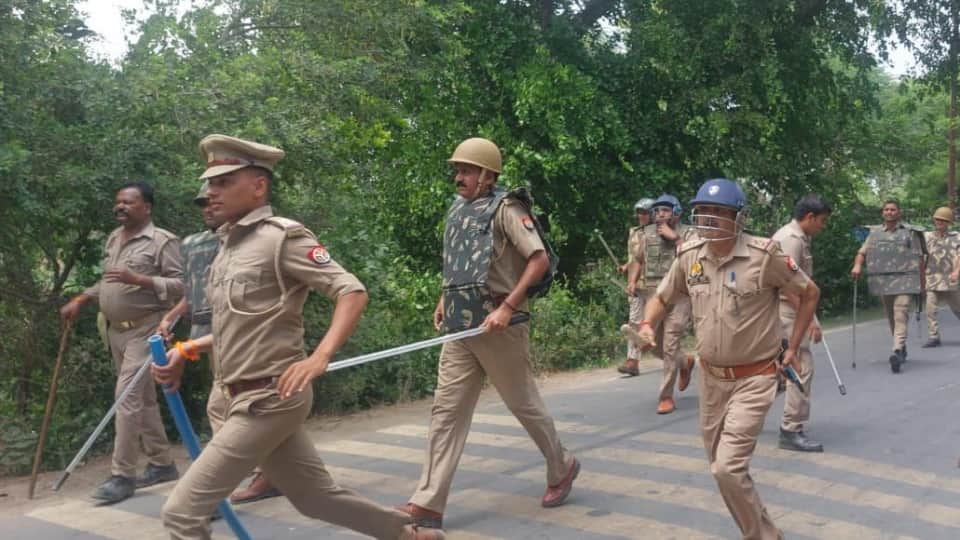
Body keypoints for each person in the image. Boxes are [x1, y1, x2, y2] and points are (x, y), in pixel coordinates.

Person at [152, 134, 440, 540]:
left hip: (268, 398)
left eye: (223, 182)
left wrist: (318, 357)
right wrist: (188, 349)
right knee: (314, 498)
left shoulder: (281, 237)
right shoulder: (227, 246)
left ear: (258, 186)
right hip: (237, 395)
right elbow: (242, 324)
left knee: (181, 513)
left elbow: (351, 291)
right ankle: (410, 536)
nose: (210, 192)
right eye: (209, 183)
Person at [398, 137, 578, 532]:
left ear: (487, 174)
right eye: (457, 170)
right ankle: (427, 502)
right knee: (446, 411)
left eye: (466, 170)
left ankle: (562, 466)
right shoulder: (457, 209)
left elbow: (538, 259)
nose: (458, 177)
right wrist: (443, 299)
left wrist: (508, 307)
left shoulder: (507, 209)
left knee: (523, 403)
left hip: (501, 326)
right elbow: (457, 262)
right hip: (460, 327)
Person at [637, 178, 820, 540]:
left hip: (755, 378)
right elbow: (661, 297)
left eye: (721, 213)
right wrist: (646, 324)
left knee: (727, 469)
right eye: (705, 212)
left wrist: (793, 347)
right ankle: (765, 530)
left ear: (738, 218)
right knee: (722, 468)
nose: (711, 219)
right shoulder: (690, 255)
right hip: (712, 381)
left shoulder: (764, 255)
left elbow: (809, 293)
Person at [59, 181, 184, 505]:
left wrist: (140, 280)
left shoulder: (162, 241)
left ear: (147, 207)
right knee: (142, 401)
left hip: (147, 331)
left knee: (126, 399)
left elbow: (184, 285)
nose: (121, 207)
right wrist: (82, 298)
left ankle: (123, 476)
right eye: (118, 202)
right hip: (115, 332)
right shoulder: (114, 239)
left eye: (128, 202)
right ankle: (162, 464)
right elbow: (107, 282)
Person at [157, 183, 281, 504]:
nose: (208, 207)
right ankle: (269, 474)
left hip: (238, 331)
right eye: (203, 203)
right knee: (243, 406)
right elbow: (193, 291)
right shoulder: (194, 244)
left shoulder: (245, 241)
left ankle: (215, 492)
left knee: (226, 405)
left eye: (213, 201)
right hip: (204, 327)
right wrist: (171, 317)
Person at [622, 194, 695, 414]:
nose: (660, 214)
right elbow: (637, 260)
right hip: (654, 297)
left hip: (680, 296)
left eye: (665, 210)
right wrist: (633, 281)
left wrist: (675, 239)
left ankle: (665, 396)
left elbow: (695, 259)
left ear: (677, 212)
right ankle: (685, 363)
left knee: (670, 345)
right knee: (653, 346)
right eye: (657, 211)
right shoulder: (646, 234)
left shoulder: (689, 233)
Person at [772, 194, 831, 453]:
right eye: (822, 221)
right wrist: (811, 320)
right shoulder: (790, 240)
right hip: (786, 311)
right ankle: (791, 429)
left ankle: (736, 413)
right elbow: (787, 287)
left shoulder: (797, 237)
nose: (823, 226)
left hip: (789, 310)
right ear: (810, 217)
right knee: (800, 366)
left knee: (776, 370)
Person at [850, 199, 926, 373]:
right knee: (892, 318)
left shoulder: (910, 233)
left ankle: (897, 350)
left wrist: (922, 284)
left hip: (906, 281)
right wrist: (857, 265)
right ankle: (901, 345)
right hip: (884, 282)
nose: (889, 212)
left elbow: (919, 258)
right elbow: (862, 253)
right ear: (882, 213)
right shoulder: (874, 234)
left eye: (893, 209)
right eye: (886, 209)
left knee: (901, 312)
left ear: (899, 213)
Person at [616, 197, 654, 376]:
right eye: (639, 212)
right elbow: (635, 258)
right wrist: (626, 266)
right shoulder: (634, 232)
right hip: (636, 285)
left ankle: (677, 358)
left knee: (658, 324)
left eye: (645, 212)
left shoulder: (659, 232)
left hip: (655, 284)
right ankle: (632, 361)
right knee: (634, 322)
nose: (641, 216)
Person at [921, 206, 960, 348]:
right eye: (937, 219)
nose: (939, 222)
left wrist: (956, 272)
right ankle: (934, 336)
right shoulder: (926, 237)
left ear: (949, 222)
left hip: (950, 279)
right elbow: (919, 255)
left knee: (958, 309)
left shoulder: (957, 237)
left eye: (943, 220)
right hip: (932, 278)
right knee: (930, 309)